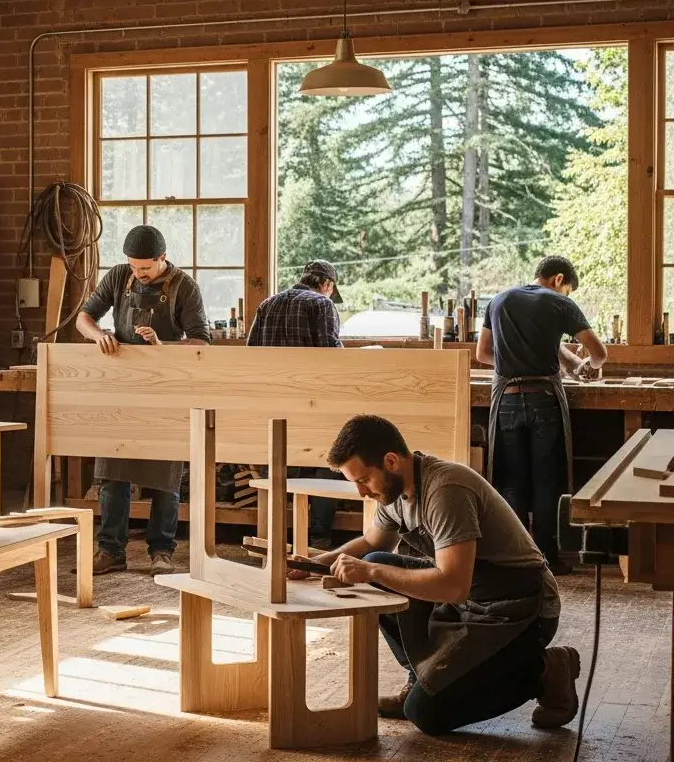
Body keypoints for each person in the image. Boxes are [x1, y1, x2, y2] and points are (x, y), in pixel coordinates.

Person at [301, 415, 577, 735]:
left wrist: (372, 570)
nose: (361, 491)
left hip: (521, 606)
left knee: (426, 713)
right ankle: (419, 676)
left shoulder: (446, 490)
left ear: (390, 461)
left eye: (363, 480)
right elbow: (373, 542)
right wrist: (316, 563)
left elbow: (453, 585)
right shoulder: (393, 490)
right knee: (375, 561)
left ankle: (545, 671)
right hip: (472, 597)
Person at [76, 224, 210, 576]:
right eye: (134, 266)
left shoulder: (185, 287)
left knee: (166, 476)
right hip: (122, 388)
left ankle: (162, 551)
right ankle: (110, 550)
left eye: (146, 268)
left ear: (162, 258)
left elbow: (201, 342)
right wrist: (98, 335)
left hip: (165, 391)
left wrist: (163, 348)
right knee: (112, 473)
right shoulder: (120, 276)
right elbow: (84, 318)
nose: (138, 273)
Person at [477, 256, 607, 575]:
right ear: (558, 279)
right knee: (548, 481)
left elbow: (482, 353)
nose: (566, 296)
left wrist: (516, 362)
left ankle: (516, 558)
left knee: (510, 481)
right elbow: (600, 353)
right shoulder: (559, 304)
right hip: (544, 401)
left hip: (506, 400)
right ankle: (548, 558)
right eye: (568, 290)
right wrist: (588, 369)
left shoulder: (499, 300)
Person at [245, 260, 346, 549]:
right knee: (328, 464)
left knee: (276, 467)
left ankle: (271, 539)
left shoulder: (267, 304)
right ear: (327, 284)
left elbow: (250, 355)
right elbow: (332, 357)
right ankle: (318, 541)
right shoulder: (322, 305)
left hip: (273, 404)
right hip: (312, 402)